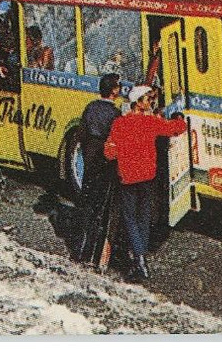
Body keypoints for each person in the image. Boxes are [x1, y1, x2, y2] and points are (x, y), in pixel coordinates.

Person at [107, 86, 189, 281]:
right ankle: (140, 257)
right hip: (147, 177)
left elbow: (109, 153)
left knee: (130, 219)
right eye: (148, 99)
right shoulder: (150, 122)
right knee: (143, 218)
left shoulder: (119, 123)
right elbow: (176, 129)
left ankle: (140, 258)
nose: (150, 102)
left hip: (127, 178)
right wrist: (178, 118)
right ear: (138, 103)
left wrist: (119, 154)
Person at [74, 74, 122, 266]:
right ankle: (94, 254)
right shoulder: (115, 113)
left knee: (86, 202)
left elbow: (81, 133)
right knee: (101, 206)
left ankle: (81, 249)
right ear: (114, 91)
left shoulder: (90, 108)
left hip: (90, 155)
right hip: (105, 159)